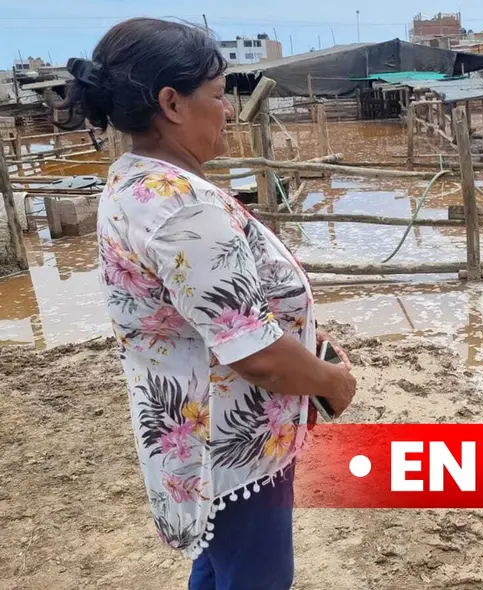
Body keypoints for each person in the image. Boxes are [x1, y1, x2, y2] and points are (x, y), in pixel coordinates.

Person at [53, 17, 356, 590]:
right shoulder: (180, 209)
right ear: (171, 103)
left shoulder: (136, 182)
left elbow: (211, 309)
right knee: (257, 575)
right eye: (219, 97)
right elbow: (258, 355)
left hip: (195, 427)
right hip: (229, 443)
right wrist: (331, 381)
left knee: (218, 564)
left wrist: (304, 332)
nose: (231, 112)